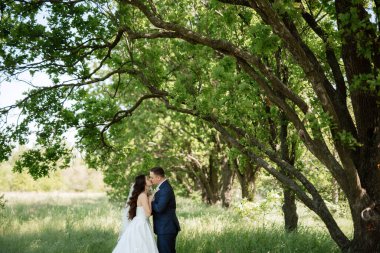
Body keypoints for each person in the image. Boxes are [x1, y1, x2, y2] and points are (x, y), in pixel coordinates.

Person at [112, 175, 159, 253]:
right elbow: (148, 214)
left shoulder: (144, 194)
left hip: (142, 223)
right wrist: (150, 201)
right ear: (143, 183)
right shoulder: (143, 195)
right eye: (147, 179)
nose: (150, 179)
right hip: (141, 225)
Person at [149, 167, 181, 253]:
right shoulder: (162, 187)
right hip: (165, 228)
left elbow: (159, 208)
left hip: (166, 227)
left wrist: (150, 200)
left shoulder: (165, 189)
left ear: (158, 178)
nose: (150, 179)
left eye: (152, 177)